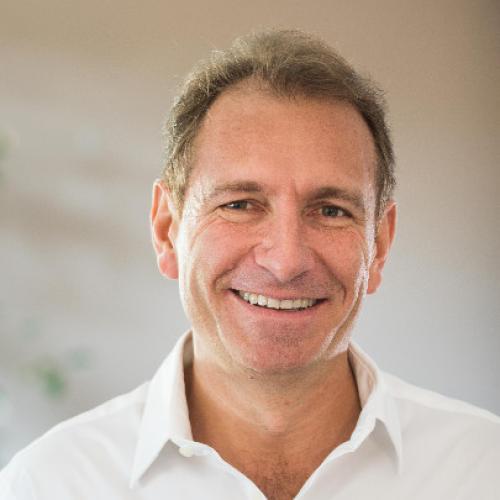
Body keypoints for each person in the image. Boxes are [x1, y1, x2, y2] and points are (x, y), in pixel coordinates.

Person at [1, 29, 498, 500]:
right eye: (239, 204)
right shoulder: (49, 485)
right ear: (166, 229)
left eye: (330, 211)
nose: (286, 261)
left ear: (380, 244)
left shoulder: (483, 468)